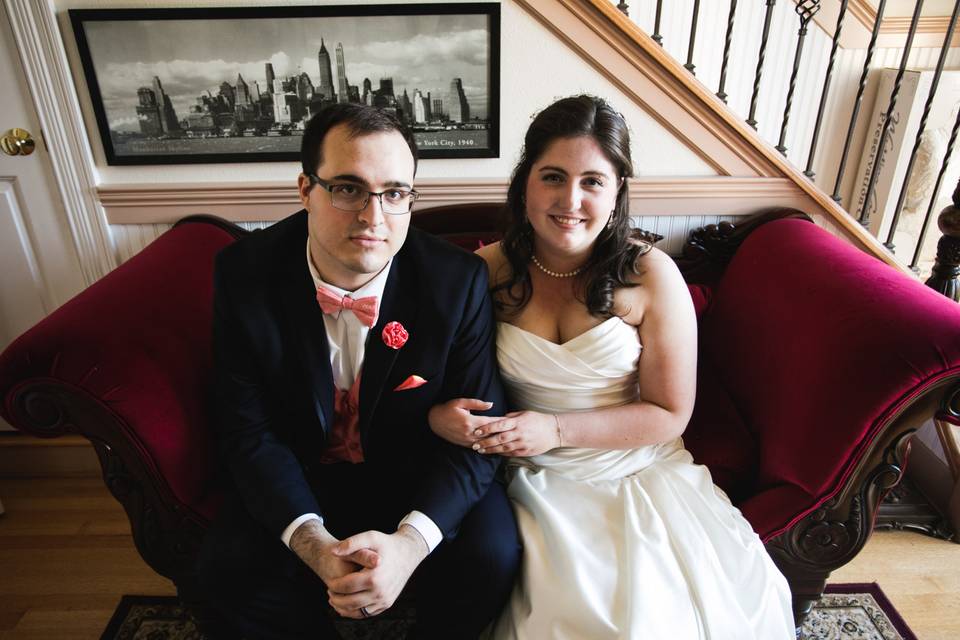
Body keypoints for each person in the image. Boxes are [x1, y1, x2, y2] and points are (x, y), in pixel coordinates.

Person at [428, 95, 795, 639]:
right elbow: (432, 389)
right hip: (527, 475)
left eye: (592, 181)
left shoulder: (651, 275)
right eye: (552, 176)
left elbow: (670, 413)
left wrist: (553, 429)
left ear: (617, 190)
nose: (569, 199)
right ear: (524, 181)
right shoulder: (482, 271)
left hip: (632, 467)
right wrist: (443, 417)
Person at [198, 103, 520, 640]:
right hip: (301, 469)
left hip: (412, 465)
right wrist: (313, 543)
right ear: (305, 189)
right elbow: (246, 430)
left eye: (395, 193)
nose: (374, 217)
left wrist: (410, 544)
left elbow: (477, 434)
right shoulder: (244, 274)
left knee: (492, 553)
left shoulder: (455, 281)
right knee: (224, 571)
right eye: (348, 189)